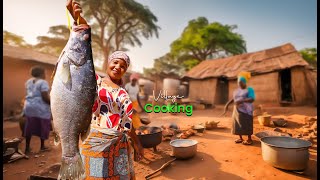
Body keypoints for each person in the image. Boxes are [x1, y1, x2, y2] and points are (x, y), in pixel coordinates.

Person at [66, 1, 144, 179]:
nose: (118, 67)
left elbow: (128, 122)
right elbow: (82, 47)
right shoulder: (93, 81)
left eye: (123, 66)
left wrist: (138, 143)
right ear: (108, 63)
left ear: (126, 70)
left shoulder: (123, 93)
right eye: (115, 62)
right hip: (93, 141)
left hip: (119, 146)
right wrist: (77, 19)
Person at [23, 66, 51, 154]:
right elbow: (44, 96)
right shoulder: (43, 82)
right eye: (45, 73)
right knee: (42, 125)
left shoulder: (29, 81)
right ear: (41, 74)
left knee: (29, 126)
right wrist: (51, 103)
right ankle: (42, 147)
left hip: (29, 106)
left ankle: (27, 148)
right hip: (40, 107)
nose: (45, 75)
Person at [222, 71, 255, 145]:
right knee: (237, 124)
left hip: (246, 110)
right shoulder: (237, 91)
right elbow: (233, 99)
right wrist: (227, 105)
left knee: (247, 123)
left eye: (241, 82)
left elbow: (252, 99)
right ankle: (240, 138)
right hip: (236, 111)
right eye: (238, 83)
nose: (239, 84)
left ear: (245, 82)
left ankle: (249, 139)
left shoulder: (249, 90)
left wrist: (242, 101)